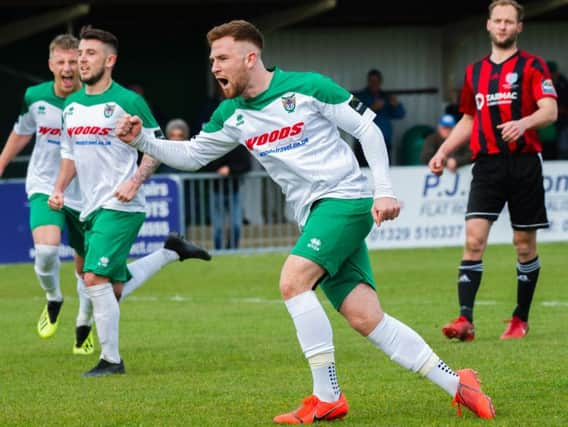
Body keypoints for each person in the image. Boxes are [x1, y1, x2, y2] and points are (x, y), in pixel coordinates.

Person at [117, 19, 495, 422]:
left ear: (250, 57)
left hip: (344, 201)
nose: (214, 67)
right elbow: (192, 156)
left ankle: (326, 394)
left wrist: (384, 188)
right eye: (211, 59)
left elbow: (367, 128)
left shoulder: (308, 86)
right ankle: (458, 383)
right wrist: (141, 141)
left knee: (293, 281)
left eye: (222, 57)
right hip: (315, 215)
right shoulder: (230, 113)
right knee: (365, 317)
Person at [48, 25, 211, 377]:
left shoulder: (128, 101)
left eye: (90, 54)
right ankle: (171, 251)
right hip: (89, 207)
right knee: (112, 287)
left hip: (121, 205)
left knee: (92, 278)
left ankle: (111, 360)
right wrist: (59, 188)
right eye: (79, 55)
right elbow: (69, 154)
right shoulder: (71, 106)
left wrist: (135, 181)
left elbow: (155, 147)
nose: (81, 61)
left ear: (110, 60)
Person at [428, 0, 558, 342]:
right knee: (473, 239)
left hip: (525, 163)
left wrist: (524, 122)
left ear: (519, 27)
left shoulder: (533, 66)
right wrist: (444, 150)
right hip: (486, 165)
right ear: (488, 25)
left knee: (523, 245)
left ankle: (520, 319)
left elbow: (550, 110)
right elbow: (469, 119)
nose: (502, 26)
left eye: (508, 22)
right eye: (497, 21)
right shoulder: (474, 73)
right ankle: (465, 320)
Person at [0, 34, 98, 354]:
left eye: (74, 61)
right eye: (62, 62)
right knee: (46, 251)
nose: (68, 68)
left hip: (86, 193)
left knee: (87, 272)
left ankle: (83, 325)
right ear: (51, 64)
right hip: (44, 183)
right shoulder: (36, 97)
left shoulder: (95, 99)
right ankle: (54, 298)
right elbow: (22, 130)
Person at [199, 145, 251, 250]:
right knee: (218, 228)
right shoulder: (212, 145)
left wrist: (230, 169)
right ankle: (219, 252)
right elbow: (204, 165)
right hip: (216, 191)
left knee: (236, 226)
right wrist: (219, 169)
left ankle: (232, 251)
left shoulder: (238, 146)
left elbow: (247, 165)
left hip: (234, 191)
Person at [352, 68, 405, 164]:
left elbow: (401, 115)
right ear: (368, 81)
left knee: (383, 172)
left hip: (383, 142)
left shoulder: (387, 97)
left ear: (381, 82)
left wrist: (396, 105)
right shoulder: (357, 96)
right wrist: (372, 108)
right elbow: (351, 115)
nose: (374, 84)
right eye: (371, 81)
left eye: (376, 81)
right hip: (363, 142)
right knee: (363, 172)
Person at [547, 61, 568, 159]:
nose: (551, 75)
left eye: (552, 73)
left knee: (563, 147)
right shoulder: (542, 82)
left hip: (562, 122)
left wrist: (557, 109)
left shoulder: (563, 84)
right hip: (546, 123)